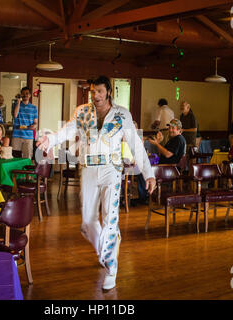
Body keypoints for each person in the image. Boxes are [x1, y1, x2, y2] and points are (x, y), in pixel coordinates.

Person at [36, 75, 156, 290]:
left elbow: (136, 145)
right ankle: (107, 247)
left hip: (112, 169)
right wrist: (50, 139)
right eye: (93, 91)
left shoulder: (122, 115)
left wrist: (149, 173)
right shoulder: (83, 111)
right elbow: (68, 130)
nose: (96, 95)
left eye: (100, 91)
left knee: (110, 218)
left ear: (108, 92)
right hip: (89, 169)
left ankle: (111, 267)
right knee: (87, 222)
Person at [133, 118, 186, 205]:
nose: (170, 130)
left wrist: (156, 144)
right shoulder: (174, 139)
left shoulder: (178, 139)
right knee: (143, 168)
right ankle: (146, 196)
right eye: (170, 127)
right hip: (165, 167)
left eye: (173, 128)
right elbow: (163, 152)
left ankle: (144, 198)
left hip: (169, 169)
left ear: (179, 130)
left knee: (142, 171)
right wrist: (158, 142)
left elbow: (168, 154)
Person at [12, 87, 38, 159]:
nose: (25, 95)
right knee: (15, 157)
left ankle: (26, 171)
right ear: (21, 95)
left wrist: (34, 126)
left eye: (27, 93)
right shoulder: (16, 105)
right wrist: (18, 102)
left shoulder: (34, 108)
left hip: (28, 136)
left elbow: (35, 123)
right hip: (17, 135)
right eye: (23, 93)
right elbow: (15, 115)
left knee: (27, 157)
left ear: (30, 95)